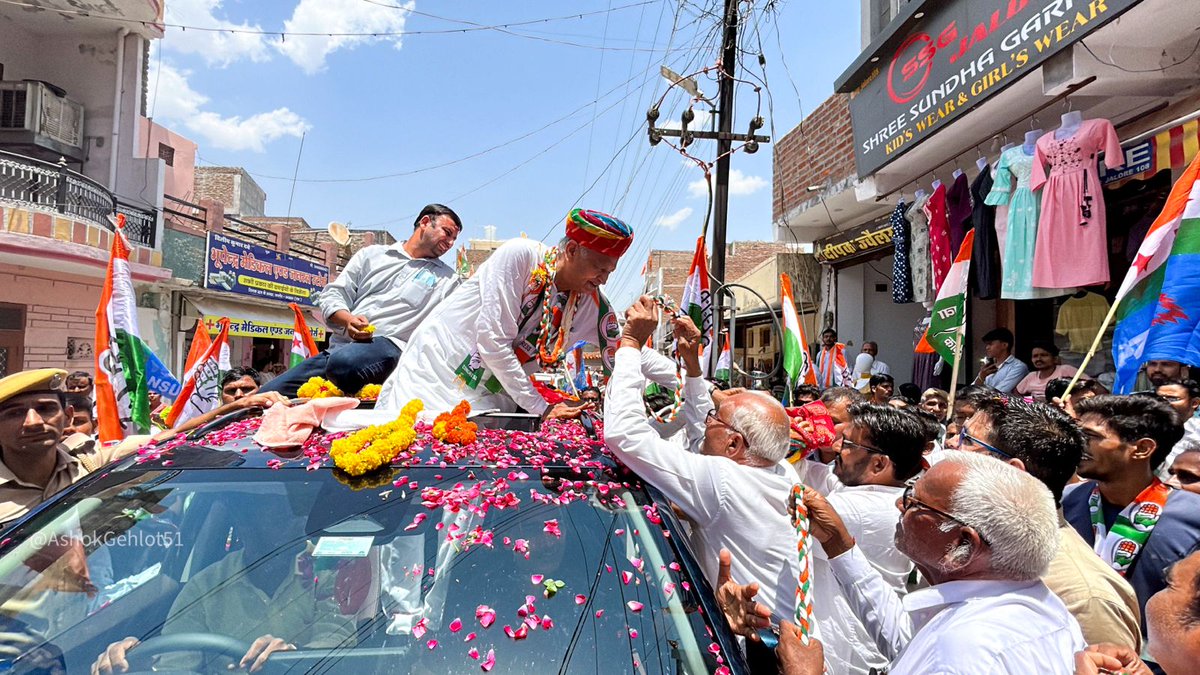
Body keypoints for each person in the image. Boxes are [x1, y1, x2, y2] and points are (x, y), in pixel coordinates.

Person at [604, 295, 801, 624]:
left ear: (734, 443)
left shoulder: (724, 480)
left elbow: (625, 433)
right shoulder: (780, 469)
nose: (704, 419)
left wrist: (630, 341)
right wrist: (691, 363)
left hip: (757, 648)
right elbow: (699, 422)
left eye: (715, 419)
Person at [802, 450, 1084, 673]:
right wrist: (837, 544)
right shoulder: (1043, 609)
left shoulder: (961, 651)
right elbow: (910, 645)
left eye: (915, 503)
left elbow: (939, 654)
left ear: (962, 544)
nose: (900, 505)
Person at [358, 208, 632, 420]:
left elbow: (624, 352)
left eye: (610, 272)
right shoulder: (521, 256)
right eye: (600, 268)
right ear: (572, 250)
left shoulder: (591, 303)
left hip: (491, 398)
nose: (604, 280)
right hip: (435, 374)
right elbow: (493, 340)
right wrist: (542, 407)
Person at [958, 398, 1142, 650]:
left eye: (967, 440)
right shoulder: (963, 540)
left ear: (1013, 473)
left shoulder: (1085, 598)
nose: (950, 445)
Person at [92, 505, 356, 673]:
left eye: (275, 518)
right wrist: (135, 666)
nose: (261, 532)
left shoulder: (328, 570)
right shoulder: (206, 585)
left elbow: (341, 643)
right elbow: (176, 666)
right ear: (240, 527)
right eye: (249, 520)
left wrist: (293, 655)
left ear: (298, 523)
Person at [261, 205, 462, 398]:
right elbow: (333, 294)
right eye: (447, 233)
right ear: (425, 222)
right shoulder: (372, 255)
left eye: (454, 239)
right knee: (263, 398)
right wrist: (348, 320)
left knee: (346, 364)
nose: (451, 243)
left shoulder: (449, 280)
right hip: (339, 352)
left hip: (392, 350)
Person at [793, 403, 923, 674]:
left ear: (879, 463)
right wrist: (802, 448)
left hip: (845, 655)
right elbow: (824, 478)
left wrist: (780, 446)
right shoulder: (885, 496)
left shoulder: (858, 510)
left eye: (849, 444)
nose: (838, 448)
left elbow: (773, 499)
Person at [1062, 395, 1200, 635]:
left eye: (1092, 436)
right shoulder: (1066, 502)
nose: (1077, 443)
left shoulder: (1192, 516)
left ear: (1142, 449)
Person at [0, 370, 141, 527]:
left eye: (45, 409)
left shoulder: (90, 463)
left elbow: (156, 445)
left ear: (68, 417)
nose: (34, 422)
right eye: (15, 413)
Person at [1154, 379, 1200, 481]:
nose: (1164, 403)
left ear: (1194, 403)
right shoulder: (1145, 429)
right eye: (1159, 399)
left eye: (1172, 399)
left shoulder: (1197, 431)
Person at [1016, 341, 1081, 401]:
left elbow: (1088, 384)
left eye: (1043, 355)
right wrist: (1030, 402)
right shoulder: (1031, 376)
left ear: (1055, 358)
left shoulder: (1065, 370)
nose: (1038, 359)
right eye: (1035, 356)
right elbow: (1016, 393)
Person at [813, 387, 864, 463]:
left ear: (856, 425)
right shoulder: (797, 459)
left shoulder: (862, 467)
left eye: (833, 422)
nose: (822, 427)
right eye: (818, 420)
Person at [973, 327, 1029, 393]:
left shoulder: (1018, 367)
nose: (987, 347)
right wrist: (981, 377)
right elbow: (971, 390)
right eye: (987, 344)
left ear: (1004, 345)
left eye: (990, 344)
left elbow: (1000, 392)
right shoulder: (988, 367)